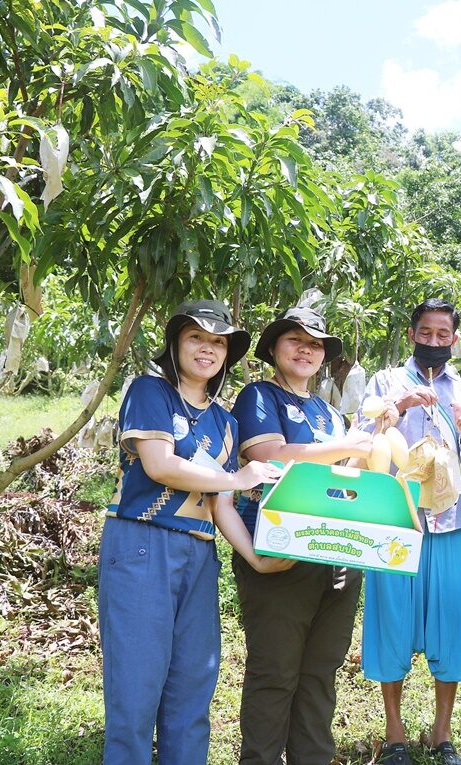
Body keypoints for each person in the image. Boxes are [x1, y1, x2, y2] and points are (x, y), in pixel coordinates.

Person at [99, 299, 286, 765]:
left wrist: (256, 558)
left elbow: (222, 505)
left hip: (201, 555)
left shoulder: (226, 422)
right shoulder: (150, 391)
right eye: (196, 338)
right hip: (142, 543)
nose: (208, 349)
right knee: (136, 689)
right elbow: (160, 466)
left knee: (192, 689)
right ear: (175, 343)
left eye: (218, 342)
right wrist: (238, 478)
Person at [230, 307, 375, 765]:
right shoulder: (259, 396)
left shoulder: (330, 412)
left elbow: (348, 478)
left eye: (315, 344)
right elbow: (271, 455)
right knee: (275, 674)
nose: (306, 349)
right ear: (274, 348)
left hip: (336, 556)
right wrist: (351, 445)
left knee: (320, 675)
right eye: (295, 340)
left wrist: (366, 445)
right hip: (279, 554)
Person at [356, 298, 461, 765]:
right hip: (395, 517)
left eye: (443, 335)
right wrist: (400, 404)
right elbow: (362, 437)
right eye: (426, 333)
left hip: (450, 520)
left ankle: (441, 731)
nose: (434, 342)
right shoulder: (386, 381)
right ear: (412, 334)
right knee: (391, 617)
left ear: (454, 340)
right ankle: (394, 732)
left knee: (451, 619)